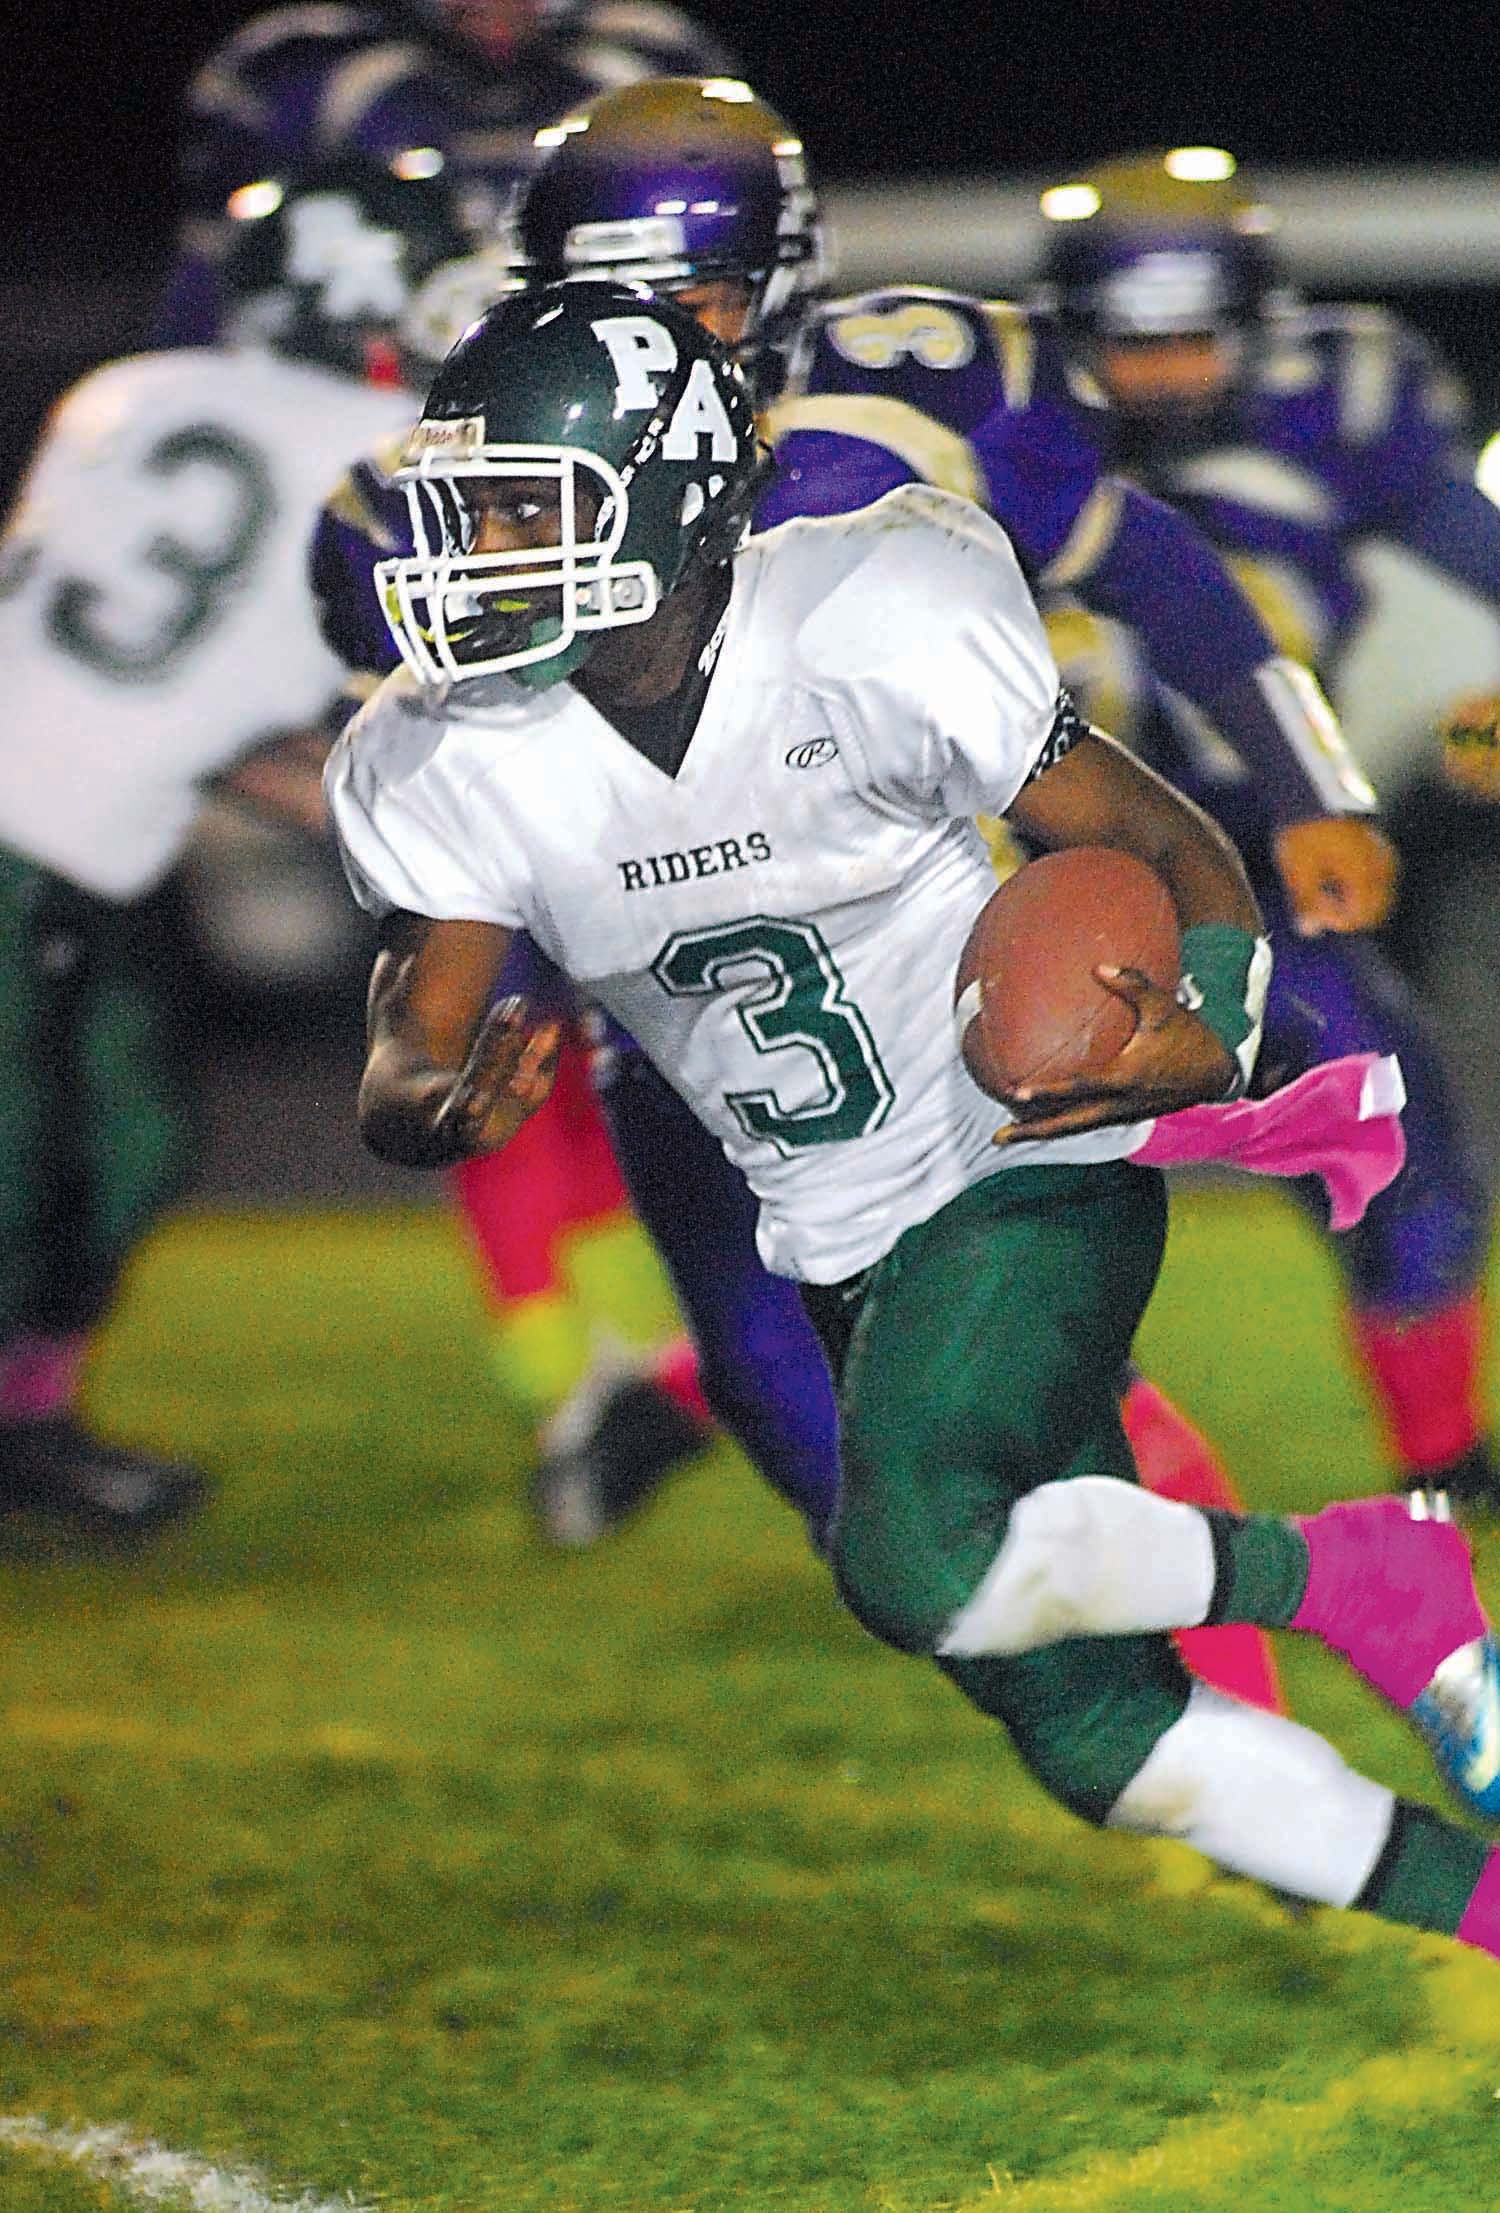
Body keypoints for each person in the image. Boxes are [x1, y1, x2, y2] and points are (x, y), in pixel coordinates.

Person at [327, 281, 1500, 1961]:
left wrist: (1212, 1023)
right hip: (827, 1230)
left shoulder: (868, 607)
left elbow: (1173, 844)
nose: (482, 546)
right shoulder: (452, 752)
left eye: (532, 501)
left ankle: (1358, 1575)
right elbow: (410, 1040)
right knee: (1104, 1742)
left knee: (909, 1551)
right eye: (473, 505)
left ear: (665, 490)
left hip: (1023, 1150)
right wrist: (431, 1106)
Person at [0, 155, 466, 1537]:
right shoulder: (372, 455)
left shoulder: (124, 396)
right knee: (34, 1164)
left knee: (131, 1137)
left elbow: (162, 693)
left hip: (80, 846)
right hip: (39, 851)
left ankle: (29, 1428)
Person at [1034, 148, 1500, 1511]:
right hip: (1008, 860)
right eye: (1133, 345)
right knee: (918, 1201)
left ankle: (1444, 1482)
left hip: (1249, 850)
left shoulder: (1338, 414)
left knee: (1396, 1153)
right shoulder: (999, 430)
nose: (1165, 377)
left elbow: (1475, 549)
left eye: (1192, 340)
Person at [164, 0, 738, 344]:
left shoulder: (658, 63)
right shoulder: (296, 66)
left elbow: (737, 270)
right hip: (355, 394)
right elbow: (211, 291)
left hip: (599, 379)